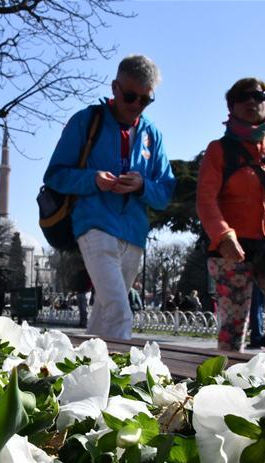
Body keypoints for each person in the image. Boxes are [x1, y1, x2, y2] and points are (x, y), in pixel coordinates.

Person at [44, 55, 176, 340]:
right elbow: (55, 175)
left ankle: (83, 373)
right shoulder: (86, 121)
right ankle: (120, 381)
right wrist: (93, 179)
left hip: (134, 235)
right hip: (94, 225)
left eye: (145, 100)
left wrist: (142, 186)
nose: (136, 105)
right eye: (130, 96)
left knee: (104, 313)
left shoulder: (153, 134)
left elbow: (165, 192)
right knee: (119, 311)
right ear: (115, 87)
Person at [197, 77, 265, 359]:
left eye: (258, 96)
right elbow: (206, 199)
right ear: (231, 107)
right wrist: (222, 236)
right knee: (233, 328)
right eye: (242, 97)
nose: (251, 102)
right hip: (232, 249)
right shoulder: (219, 150)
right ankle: (227, 389)